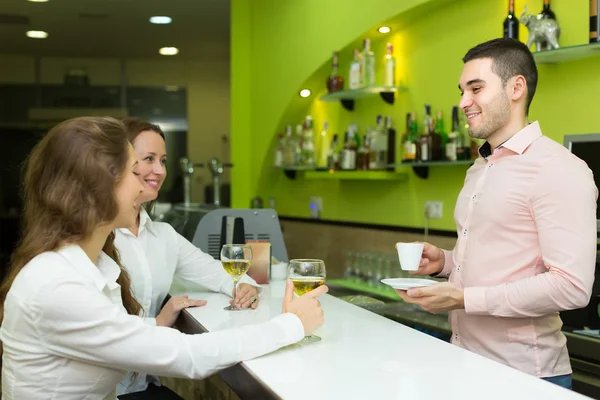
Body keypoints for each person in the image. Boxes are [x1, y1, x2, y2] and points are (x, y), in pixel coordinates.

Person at [0, 117, 327, 400]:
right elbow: (187, 356)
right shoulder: (58, 286)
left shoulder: (90, 267)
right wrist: (292, 324)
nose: (144, 185)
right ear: (97, 187)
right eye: (134, 171)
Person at [396, 38, 598, 390]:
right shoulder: (480, 166)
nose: (463, 102)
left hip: (525, 377)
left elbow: (571, 287)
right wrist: (444, 262)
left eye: (476, 88)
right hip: (464, 359)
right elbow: (506, 254)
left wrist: (464, 298)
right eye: (461, 91)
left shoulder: (558, 168)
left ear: (516, 87)